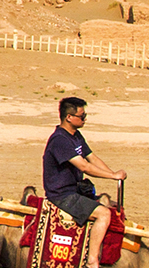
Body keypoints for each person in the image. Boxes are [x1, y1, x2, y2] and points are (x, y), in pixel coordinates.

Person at [41, 96, 122, 249]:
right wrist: (112, 176)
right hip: (62, 195)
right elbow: (84, 166)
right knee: (104, 214)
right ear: (69, 117)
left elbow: (92, 158)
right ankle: (92, 262)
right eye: (82, 116)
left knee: (108, 203)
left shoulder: (76, 137)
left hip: (75, 191)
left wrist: (113, 174)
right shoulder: (59, 140)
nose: (85, 119)